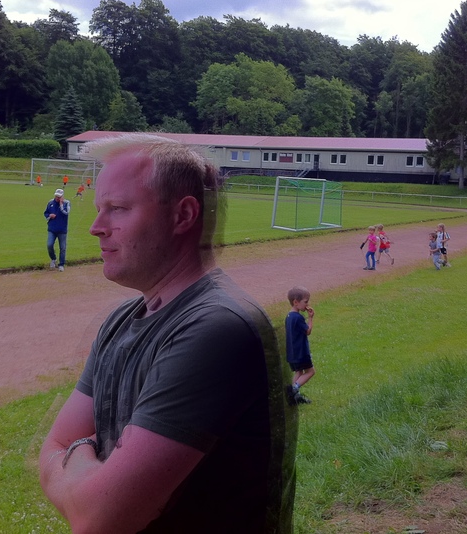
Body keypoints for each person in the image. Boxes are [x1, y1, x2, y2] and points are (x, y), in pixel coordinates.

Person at [39, 133, 296, 533]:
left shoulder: (217, 328)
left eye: (117, 209)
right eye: (98, 209)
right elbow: (52, 448)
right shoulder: (121, 320)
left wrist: (77, 460)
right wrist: (85, 482)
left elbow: (98, 517)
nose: (95, 228)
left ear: (183, 215)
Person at [285, 286, 315, 405]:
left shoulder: (289, 317)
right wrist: (310, 318)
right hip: (301, 352)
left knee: (299, 372)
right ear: (296, 302)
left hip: (292, 353)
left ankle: (293, 397)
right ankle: (293, 389)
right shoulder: (298, 317)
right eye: (305, 302)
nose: (307, 305)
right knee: (311, 372)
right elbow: (308, 331)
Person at [44, 188, 70, 272]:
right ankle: (53, 259)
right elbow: (46, 213)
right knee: (49, 245)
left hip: (62, 230)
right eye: (56, 196)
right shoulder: (50, 203)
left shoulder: (67, 203)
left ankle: (61, 264)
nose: (57, 198)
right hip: (52, 229)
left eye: (59, 197)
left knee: (62, 248)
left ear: (62, 196)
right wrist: (49, 216)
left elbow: (66, 213)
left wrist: (61, 205)